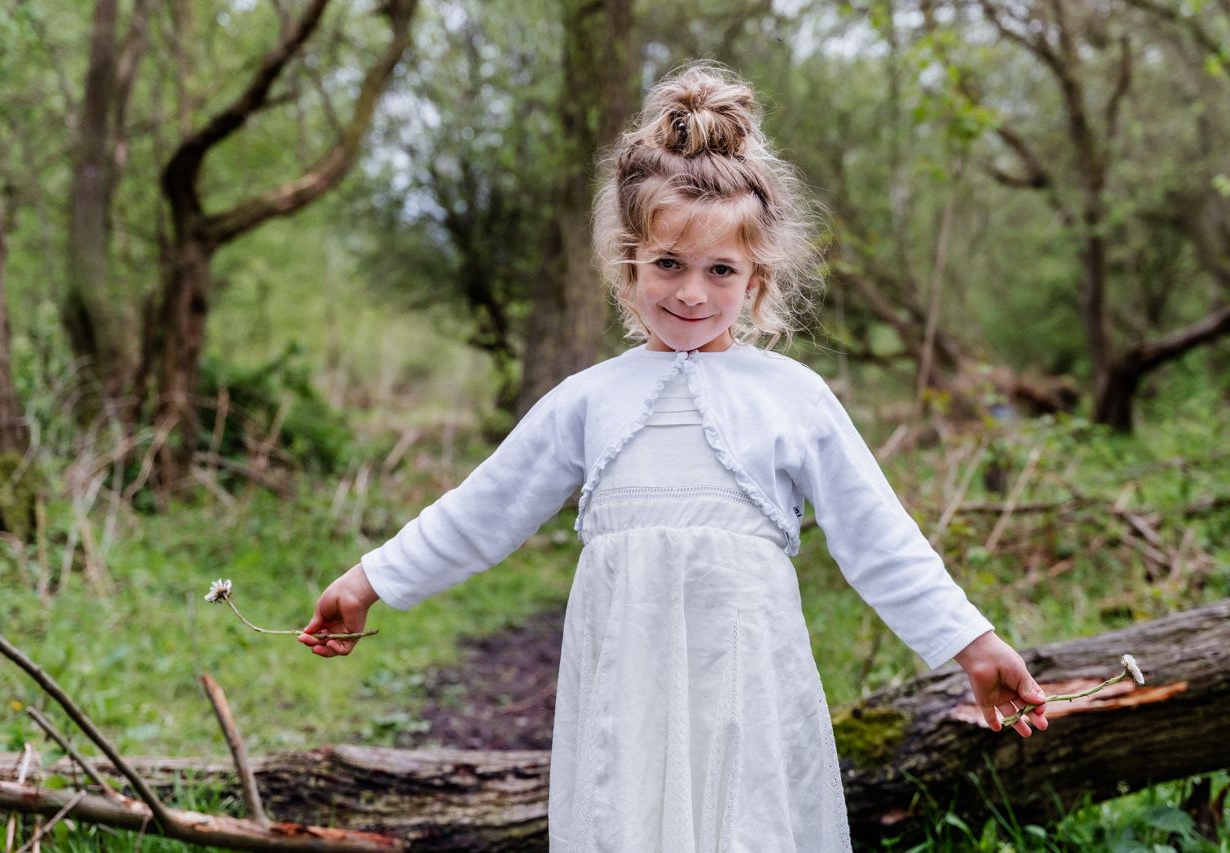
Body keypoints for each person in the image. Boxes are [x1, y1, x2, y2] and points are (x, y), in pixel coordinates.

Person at [298, 61, 1049, 852]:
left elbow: (880, 540)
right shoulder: (589, 399)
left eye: (720, 270)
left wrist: (973, 642)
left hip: (743, 681)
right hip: (627, 683)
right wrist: (369, 580)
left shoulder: (792, 397)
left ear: (756, 279)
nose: (692, 291)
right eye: (668, 265)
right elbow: (486, 507)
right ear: (628, 265)